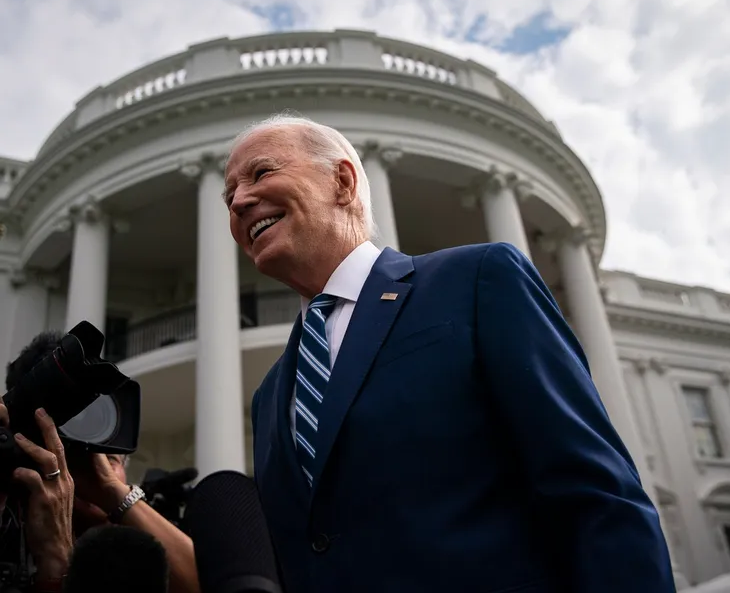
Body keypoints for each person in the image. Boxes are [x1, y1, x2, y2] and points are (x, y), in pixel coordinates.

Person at [228, 113, 676, 593]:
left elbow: (595, 492)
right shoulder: (271, 393)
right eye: (228, 195)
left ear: (342, 181)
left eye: (261, 173)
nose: (239, 201)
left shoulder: (476, 280)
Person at [2, 332, 200, 593]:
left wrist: (113, 494)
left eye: (110, 459)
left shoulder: (132, 550)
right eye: (67, 456)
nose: (94, 467)